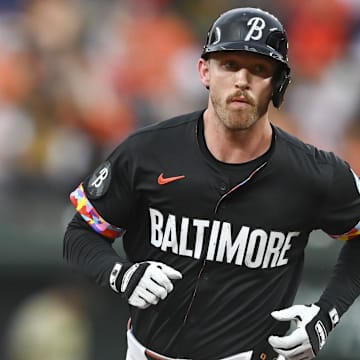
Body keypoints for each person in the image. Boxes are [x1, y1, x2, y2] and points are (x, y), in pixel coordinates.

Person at [63, 7, 360, 360]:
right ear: (205, 70)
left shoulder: (313, 172)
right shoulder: (148, 151)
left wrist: (328, 313)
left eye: (259, 69)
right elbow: (80, 233)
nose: (242, 81)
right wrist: (120, 274)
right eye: (229, 65)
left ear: (279, 84)